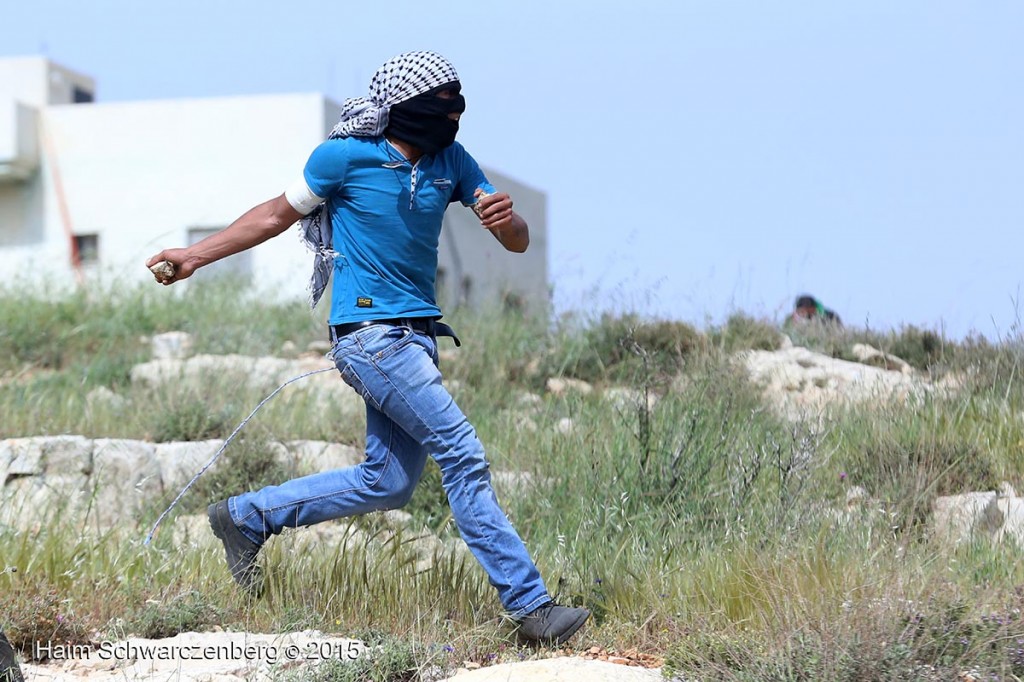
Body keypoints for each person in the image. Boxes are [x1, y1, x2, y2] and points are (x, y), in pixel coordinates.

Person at [146, 51, 589, 646]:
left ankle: (247, 517)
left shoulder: (451, 161)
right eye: (441, 101)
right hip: (369, 337)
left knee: (388, 482)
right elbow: (276, 214)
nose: (453, 111)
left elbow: (515, 242)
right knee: (461, 454)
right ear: (403, 104)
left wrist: (505, 221)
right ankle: (532, 609)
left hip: (418, 339)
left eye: (457, 101)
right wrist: (195, 255)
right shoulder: (345, 156)